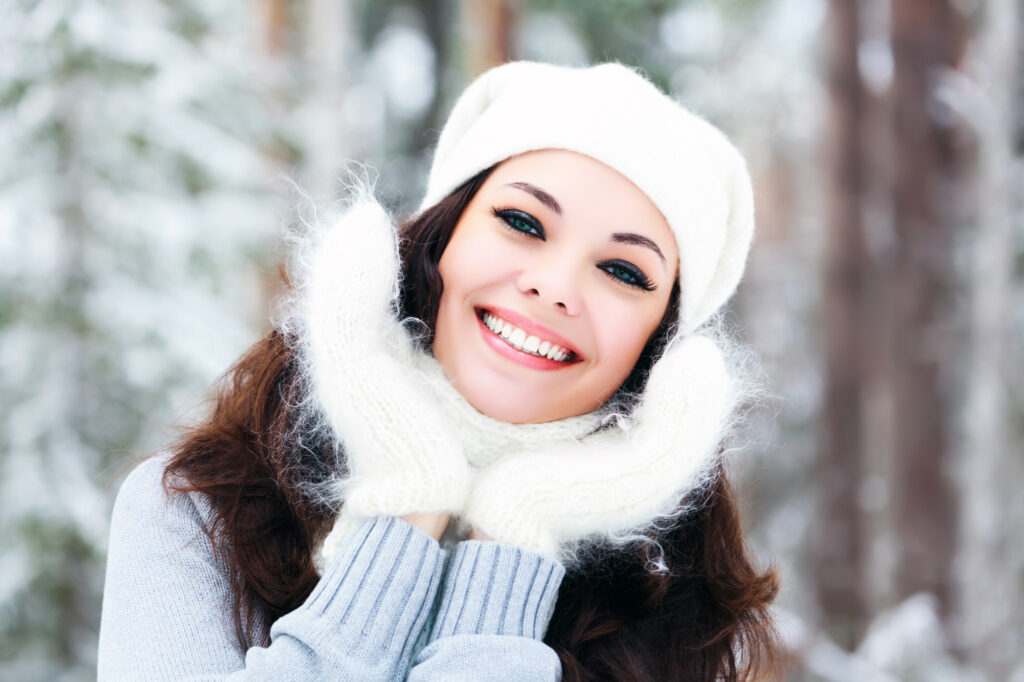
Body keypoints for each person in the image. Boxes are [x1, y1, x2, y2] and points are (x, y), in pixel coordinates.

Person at [98, 61, 781, 681]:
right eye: (522, 221)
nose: (553, 286)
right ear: (442, 238)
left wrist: (519, 529)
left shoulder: (681, 611)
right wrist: (407, 497)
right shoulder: (192, 513)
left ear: (660, 349)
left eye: (624, 271)